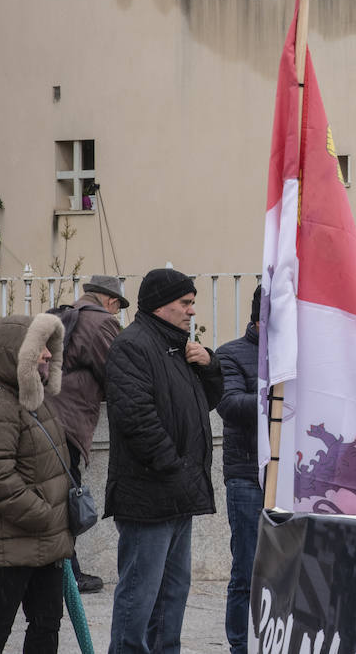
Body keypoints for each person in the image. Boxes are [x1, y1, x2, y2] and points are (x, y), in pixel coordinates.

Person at [104, 268, 223, 654]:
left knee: (173, 594)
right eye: (185, 303)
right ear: (160, 306)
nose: (192, 311)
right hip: (149, 496)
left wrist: (210, 366)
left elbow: (207, 403)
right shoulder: (133, 346)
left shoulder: (180, 347)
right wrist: (175, 467)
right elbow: (136, 419)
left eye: (192, 303)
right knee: (140, 596)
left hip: (178, 494)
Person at [0, 312, 73, 654]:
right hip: (7, 540)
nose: (47, 354)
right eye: (39, 347)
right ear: (16, 353)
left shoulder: (33, 401)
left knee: (46, 624)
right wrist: (43, 514)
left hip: (44, 539)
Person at [48, 273, 128, 594]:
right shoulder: (101, 323)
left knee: (54, 498)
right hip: (67, 423)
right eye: (117, 307)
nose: (116, 313)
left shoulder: (62, 315)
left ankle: (64, 572)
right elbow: (118, 373)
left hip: (44, 417)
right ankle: (69, 575)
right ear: (110, 301)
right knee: (68, 500)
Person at [214, 285, 263, 654]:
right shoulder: (230, 354)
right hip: (247, 475)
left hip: (294, 476)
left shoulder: (302, 355)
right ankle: (240, 645)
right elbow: (228, 403)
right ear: (260, 319)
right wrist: (275, 395)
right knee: (247, 568)